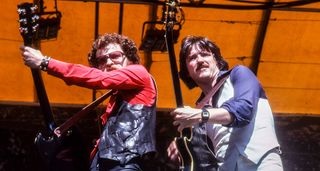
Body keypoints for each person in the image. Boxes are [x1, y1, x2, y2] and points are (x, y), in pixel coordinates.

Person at [20, 33, 157, 171]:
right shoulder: (118, 94)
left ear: (130, 58)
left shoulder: (139, 72)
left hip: (123, 165)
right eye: (102, 60)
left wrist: (45, 62)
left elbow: (99, 78)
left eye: (115, 56)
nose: (108, 62)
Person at [167, 35, 283, 171]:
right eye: (192, 58)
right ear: (187, 71)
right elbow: (204, 155)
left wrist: (200, 115)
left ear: (216, 60)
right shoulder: (199, 109)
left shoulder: (239, 74)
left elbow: (243, 111)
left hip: (261, 162)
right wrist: (183, 146)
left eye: (204, 54)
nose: (200, 60)